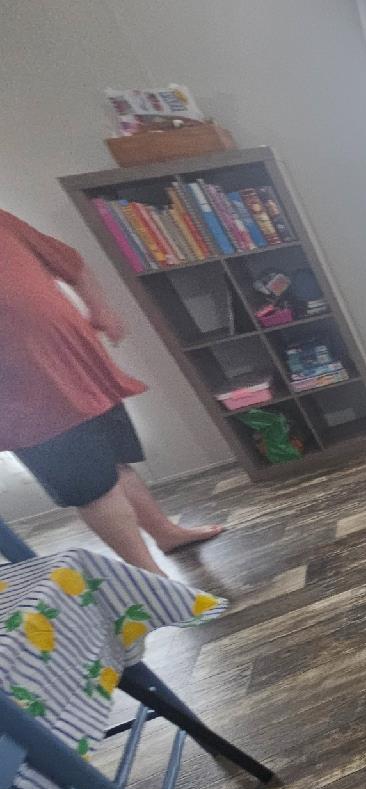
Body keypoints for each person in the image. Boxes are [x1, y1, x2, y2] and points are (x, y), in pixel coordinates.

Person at [0, 209, 222, 575]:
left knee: (117, 464)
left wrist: (102, 309)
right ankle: (151, 579)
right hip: (24, 401)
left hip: (81, 370)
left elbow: (73, 264)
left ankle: (166, 533)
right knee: (94, 489)